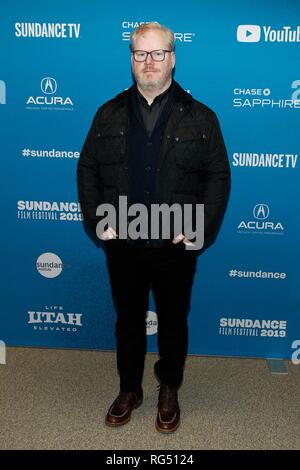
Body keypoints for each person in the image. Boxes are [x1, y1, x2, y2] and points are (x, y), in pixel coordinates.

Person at [77, 22, 230, 433]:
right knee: (127, 319)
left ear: (172, 58)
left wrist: (198, 227)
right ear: (131, 59)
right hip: (122, 238)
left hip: (176, 241)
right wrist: (97, 221)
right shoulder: (107, 113)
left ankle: (169, 387)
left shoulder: (201, 117)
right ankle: (130, 388)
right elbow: (88, 167)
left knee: (174, 319)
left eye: (157, 53)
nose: (149, 62)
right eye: (140, 53)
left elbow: (218, 176)